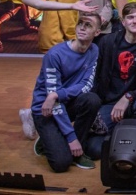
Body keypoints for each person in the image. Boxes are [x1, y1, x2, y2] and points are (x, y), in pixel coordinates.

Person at [20, 0, 89, 141]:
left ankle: (34, 114)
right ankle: (34, 115)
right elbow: (67, 11)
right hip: (58, 36)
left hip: (53, 33)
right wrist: (73, 37)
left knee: (49, 81)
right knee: (53, 84)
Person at [75, 2, 136, 159]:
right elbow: (96, 76)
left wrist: (128, 97)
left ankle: (135, 137)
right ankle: (117, 132)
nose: (135, 21)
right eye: (130, 17)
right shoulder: (107, 42)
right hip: (109, 104)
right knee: (95, 150)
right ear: (123, 22)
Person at [29, 12, 101, 172]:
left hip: (65, 102)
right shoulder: (54, 55)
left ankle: (77, 149)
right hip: (45, 110)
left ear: (97, 32)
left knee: (92, 99)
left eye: (88, 25)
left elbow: (86, 85)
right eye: (80, 23)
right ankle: (47, 139)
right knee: (61, 164)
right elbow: (52, 101)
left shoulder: (94, 50)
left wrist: (57, 94)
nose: (82, 28)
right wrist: (70, 137)